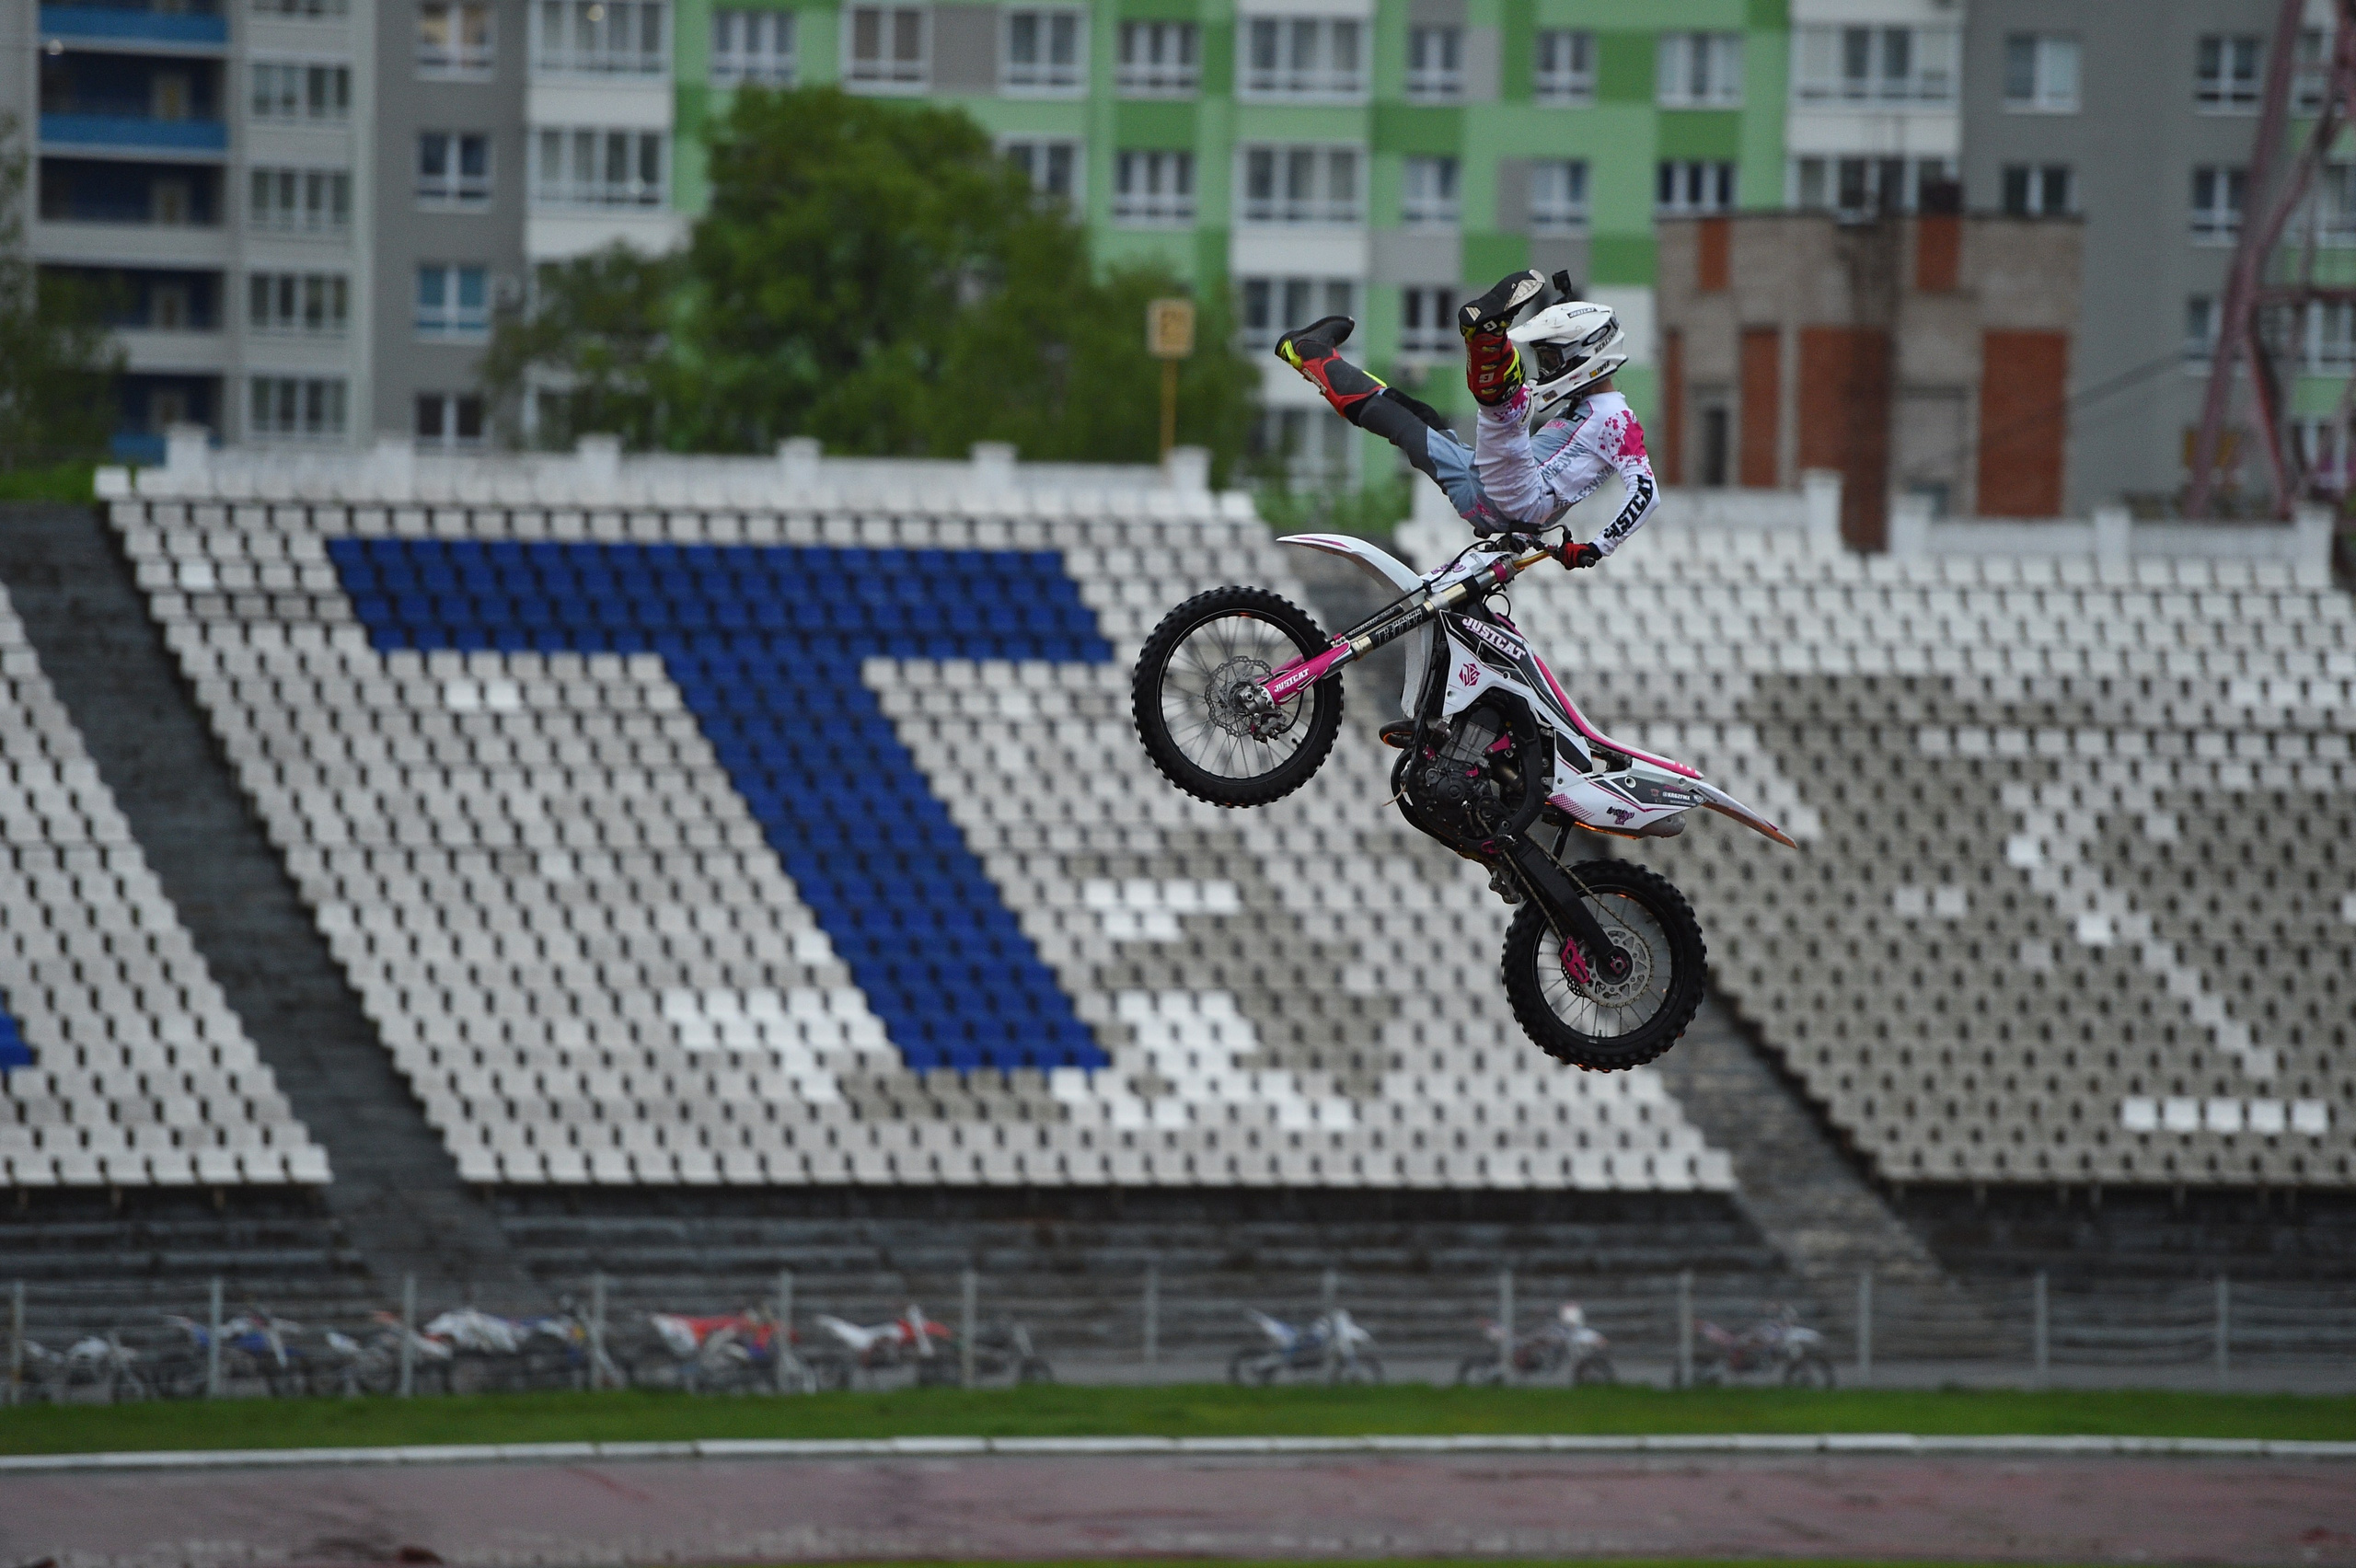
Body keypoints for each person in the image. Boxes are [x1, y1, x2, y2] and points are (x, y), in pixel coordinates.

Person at [1273, 268, 1657, 567]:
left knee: (1511, 410)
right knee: (1414, 421)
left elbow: (1645, 492)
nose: (1548, 368)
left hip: (1520, 499)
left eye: (1554, 358)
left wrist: (1598, 545)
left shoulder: (1617, 419)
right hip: (1490, 501)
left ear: (1592, 353)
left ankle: (1487, 338)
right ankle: (1310, 353)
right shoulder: (1584, 409)